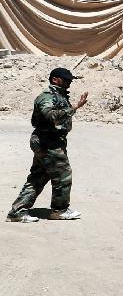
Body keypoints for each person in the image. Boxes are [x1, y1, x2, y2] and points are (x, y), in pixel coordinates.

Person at [6, 67, 88, 223]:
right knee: (63, 174)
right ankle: (59, 210)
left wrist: (72, 109)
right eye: (66, 79)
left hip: (50, 141)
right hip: (47, 141)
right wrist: (74, 108)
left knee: (38, 177)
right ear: (55, 79)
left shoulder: (59, 96)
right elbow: (49, 116)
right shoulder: (47, 96)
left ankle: (17, 212)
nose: (69, 82)